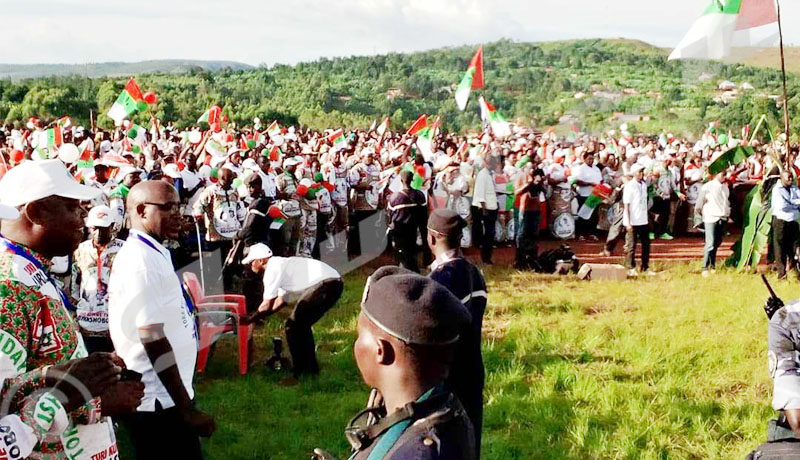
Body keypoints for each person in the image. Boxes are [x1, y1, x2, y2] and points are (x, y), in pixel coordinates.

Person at [0, 159, 143, 459]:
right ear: (36, 212)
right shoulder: (8, 287)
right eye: (71, 206)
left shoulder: (28, 269)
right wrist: (96, 401)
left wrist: (95, 372)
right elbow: (4, 409)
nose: (84, 215)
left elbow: (35, 369)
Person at [316, 266, 475, 460]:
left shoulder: (419, 453)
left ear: (380, 351)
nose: (355, 344)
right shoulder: (439, 407)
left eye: (359, 336)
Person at [109, 180, 215, 460]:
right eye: (168, 207)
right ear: (142, 210)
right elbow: (152, 336)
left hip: (169, 396)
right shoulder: (140, 261)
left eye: (179, 206)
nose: (178, 214)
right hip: (158, 401)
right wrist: (186, 408)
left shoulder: (155, 250)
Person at [426, 209, 488, 457]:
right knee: (471, 440)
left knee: (447, 446)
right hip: (473, 368)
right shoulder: (475, 274)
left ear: (432, 238)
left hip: (447, 376)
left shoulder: (437, 282)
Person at [241, 243, 343, 376]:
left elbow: (267, 304)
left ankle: (300, 371)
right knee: (299, 325)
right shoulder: (280, 264)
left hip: (326, 284)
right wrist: (258, 316)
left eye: (250, 262)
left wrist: (250, 319)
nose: (249, 266)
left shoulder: (272, 269)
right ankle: (309, 370)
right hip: (333, 282)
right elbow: (281, 300)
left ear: (260, 260)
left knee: (294, 326)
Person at [71, 205, 125, 353]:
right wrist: (76, 312)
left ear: (112, 226)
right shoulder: (81, 249)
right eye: (95, 228)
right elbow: (75, 282)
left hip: (114, 322)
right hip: (86, 321)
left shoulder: (124, 249)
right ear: (88, 228)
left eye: (104, 228)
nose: (99, 233)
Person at [193, 167, 246, 290]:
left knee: (229, 262)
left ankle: (228, 287)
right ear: (221, 178)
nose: (232, 180)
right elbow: (198, 207)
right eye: (230, 178)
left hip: (231, 234)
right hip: (214, 236)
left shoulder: (234, 191)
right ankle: (213, 287)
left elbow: (238, 208)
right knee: (215, 264)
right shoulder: (210, 191)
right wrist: (198, 216)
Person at [387, 170, 426, 272]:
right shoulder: (420, 195)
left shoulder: (394, 197)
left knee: (403, 258)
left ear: (401, 180)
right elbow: (423, 215)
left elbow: (389, 217)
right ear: (412, 180)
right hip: (413, 231)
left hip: (399, 233)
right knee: (411, 255)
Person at [695, 170, 730, 276]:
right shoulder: (707, 186)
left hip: (722, 216)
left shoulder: (725, 187)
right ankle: (704, 267)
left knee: (717, 242)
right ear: (715, 174)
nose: (724, 176)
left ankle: (712, 264)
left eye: (725, 174)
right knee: (710, 243)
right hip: (710, 217)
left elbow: (726, 202)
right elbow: (699, 203)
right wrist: (698, 217)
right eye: (722, 173)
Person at [514, 165, 546, 269]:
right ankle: (520, 259)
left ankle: (532, 258)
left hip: (536, 210)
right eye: (529, 169)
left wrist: (539, 181)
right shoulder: (521, 177)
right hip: (525, 210)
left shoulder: (537, 181)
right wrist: (527, 184)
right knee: (522, 234)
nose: (531, 171)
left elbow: (545, 192)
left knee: (534, 235)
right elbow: (516, 192)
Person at [770, 171, 800, 280]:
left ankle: (797, 273)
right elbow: (782, 206)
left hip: (793, 221)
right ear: (782, 178)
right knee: (780, 248)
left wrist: (791, 202)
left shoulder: (794, 188)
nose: (791, 180)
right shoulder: (777, 190)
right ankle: (782, 274)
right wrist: (795, 203)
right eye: (788, 178)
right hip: (781, 221)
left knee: (796, 248)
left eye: (791, 177)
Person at [623, 164, 651, 275]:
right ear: (634, 173)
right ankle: (630, 267)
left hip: (643, 219)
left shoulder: (643, 185)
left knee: (646, 244)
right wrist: (628, 222)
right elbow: (627, 205)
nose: (641, 174)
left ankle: (645, 267)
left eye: (642, 172)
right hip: (633, 220)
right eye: (639, 172)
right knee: (631, 245)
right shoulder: (630, 186)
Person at [472, 156, 499, 264]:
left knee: (490, 234)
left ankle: (487, 257)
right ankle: (485, 258)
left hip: (492, 207)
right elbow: (480, 194)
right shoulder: (483, 175)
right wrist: (484, 211)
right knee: (488, 234)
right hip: (486, 209)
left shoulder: (489, 174)